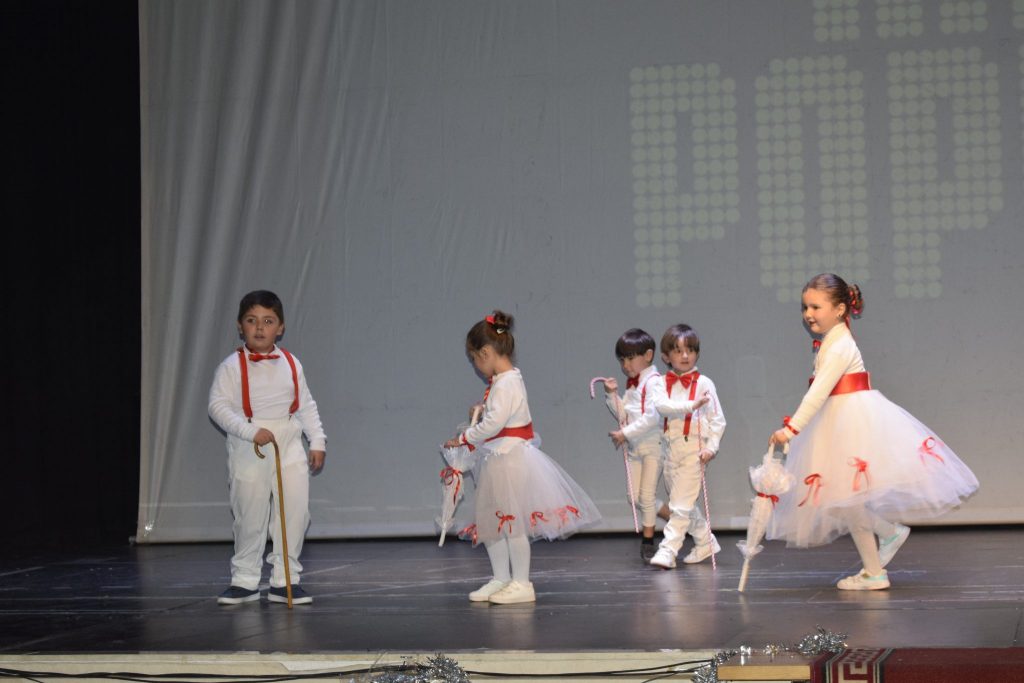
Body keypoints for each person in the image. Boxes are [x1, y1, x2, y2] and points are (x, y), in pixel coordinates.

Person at [767, 273, 978, 590]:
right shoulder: (833, 341)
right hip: (838, 420)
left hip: (849, 421)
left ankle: (876, 567)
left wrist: (791, 429)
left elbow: (818, 393)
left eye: (815, 307)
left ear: (839, 309)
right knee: (839, 500)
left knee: (844, 500)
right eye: (805, 307)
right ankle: (885, 542)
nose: (808, 314)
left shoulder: (839, 345)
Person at [444, 310, 600, 604]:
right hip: (497, 459)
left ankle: (521, 582)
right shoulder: (503, 382)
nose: (476, 365)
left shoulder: (507, 383)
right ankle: (501, 577)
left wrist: (465, 437)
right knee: (492, 524)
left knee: (510, 524)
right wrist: (482, 412)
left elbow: (494, 424)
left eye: (475, 359)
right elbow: (497, 416)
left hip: (509, 460)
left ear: (486, 353)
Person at [208, 290, 327, 605]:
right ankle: (245, 580)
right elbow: (217, 407)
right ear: (240, 326)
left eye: (268, 321)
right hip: (250, 444)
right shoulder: (231, 366)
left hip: (288, 442)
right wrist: (249, 431)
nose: (260, 328)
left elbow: (306, 405)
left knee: (295, 512)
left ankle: (285, 580)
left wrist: (317, 440)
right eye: (252, 320)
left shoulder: (291, 362)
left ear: (281, 327)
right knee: (250, 514)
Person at [646, 324, 723, 569]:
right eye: (678, 351)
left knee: (680, 506)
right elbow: (662, 407)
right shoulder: (660, 383)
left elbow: (717, 419)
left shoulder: (704, 383)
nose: (685, 356)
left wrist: (711, 447)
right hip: (671, 450)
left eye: (690, 350)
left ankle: (668, 551)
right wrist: (691, 406)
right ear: (666, 356)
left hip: (694, 451)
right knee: (683, 505)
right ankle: (705, 541)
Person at [600, 329, 664, 561]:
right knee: (634, 497)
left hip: (653, 446)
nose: (625, 365)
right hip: (636, 448)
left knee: (646, 497)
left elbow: (652, 417)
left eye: (630, 358)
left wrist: (625, 434)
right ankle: (679, 520)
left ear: (648, 355)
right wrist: (612, 395)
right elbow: (623, 415)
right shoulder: (633, 385)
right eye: (622, 360)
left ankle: (648, 542)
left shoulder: (654, 382)